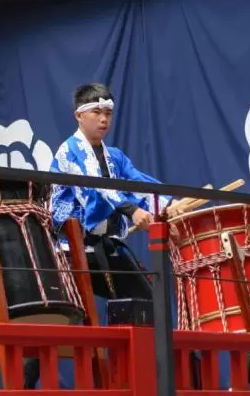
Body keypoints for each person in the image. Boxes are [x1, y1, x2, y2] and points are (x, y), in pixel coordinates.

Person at [49, 83, 184, 302]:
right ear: (79, 116)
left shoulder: (115, 156)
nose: (104, 119)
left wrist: (167, 209)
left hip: (104, 247)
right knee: (79, 317)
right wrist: (132, 211)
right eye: (97, 112)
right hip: (70, 252)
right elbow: (95, 187)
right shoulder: (69, 150)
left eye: (108, 114)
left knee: (146, 304)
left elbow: (138, 183)